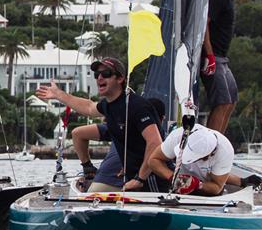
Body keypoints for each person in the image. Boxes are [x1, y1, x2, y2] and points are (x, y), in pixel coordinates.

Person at [36, 57, 162, 193]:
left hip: (152, 179)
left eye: (106, 74)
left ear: (120, 79)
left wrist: (140, 178)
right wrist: (59, 95)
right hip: (131, 179)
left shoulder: (136, 105)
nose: (99, 78)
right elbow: (89, 107)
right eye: (97, 75)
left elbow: (155, 142)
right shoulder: (109, 105)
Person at [201, 0, 249, 134]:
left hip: (222, 58)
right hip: (213, 57)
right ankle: (208, 149)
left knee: (231, 100)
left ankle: (217, 143)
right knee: (222, 102)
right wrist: (209, 55)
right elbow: (204, 23)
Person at [142, 124, 249, 196]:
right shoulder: (179, 136)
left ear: (208, 155)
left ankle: (244, 181)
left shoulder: (225, 151)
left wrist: (197, 185)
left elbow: (217, 186)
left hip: (208, 185)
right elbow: (153, 160)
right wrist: (173, 178)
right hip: (178, 180)